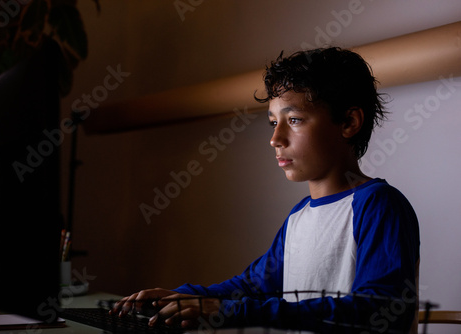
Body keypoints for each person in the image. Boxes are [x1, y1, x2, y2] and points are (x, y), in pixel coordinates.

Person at [111, 47, 420, 333]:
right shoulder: (299, 215)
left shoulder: (379, 205)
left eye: (294, 119)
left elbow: (381, 310)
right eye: (273, 122)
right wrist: (182, 296)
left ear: (349, 122)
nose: (275, 138)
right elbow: (253, 285)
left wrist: (232, 311)